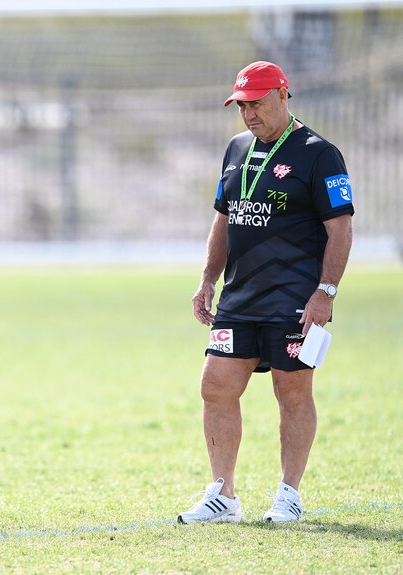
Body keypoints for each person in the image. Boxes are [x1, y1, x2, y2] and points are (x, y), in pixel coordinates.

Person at [177, 61, 354, 524]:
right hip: (240, 298)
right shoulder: (236, 149)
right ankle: (223, 496)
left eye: (256, 102)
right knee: (215, 386)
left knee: (291, 392)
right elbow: (224, 218)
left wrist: (326, 292)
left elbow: (340, 229)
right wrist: (207, 280)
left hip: (295, 301)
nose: (249, 113)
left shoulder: (320, 154)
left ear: (282, 95)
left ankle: (289, 494)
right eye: (241, 105)